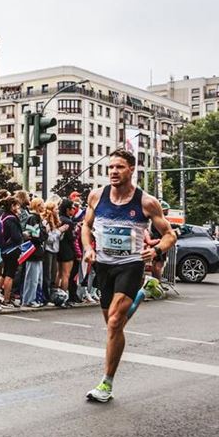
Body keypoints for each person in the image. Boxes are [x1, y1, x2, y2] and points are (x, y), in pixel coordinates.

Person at [81, 149, 175, 403]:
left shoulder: (146, 202)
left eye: (119, 167)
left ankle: (106, 384)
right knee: (113, 322)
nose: (113, 171)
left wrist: (155, 250)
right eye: (111, 167)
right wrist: (89, 248)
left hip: (131, 264)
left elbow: (170, 235)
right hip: (104, 265)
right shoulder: (96, 196)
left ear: (132, 169)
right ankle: (143, 293)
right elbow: (86, 226)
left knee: (114, 323)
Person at [0, 198, 23, 308]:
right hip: (13, 250)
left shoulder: (3, 216)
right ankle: (6, 300)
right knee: (10, 275)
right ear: (12, 206)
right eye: (17, 206)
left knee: (3, 274)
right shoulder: (12, 219)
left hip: (4, 249)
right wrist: (23, 235)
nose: (19, 208)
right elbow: (16, 236)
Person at [20, 198, 47, 307]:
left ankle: (34, 298)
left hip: (37, 251)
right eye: (42, 205)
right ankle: (29, 299)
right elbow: (36, 235)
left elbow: (40, 235)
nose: (43, 207)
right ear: (37, 206)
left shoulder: (37, 218)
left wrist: (42, 234)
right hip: (34, 251)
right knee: (32, 278)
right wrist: (43, 234)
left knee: (37, 277)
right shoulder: (33, 219)